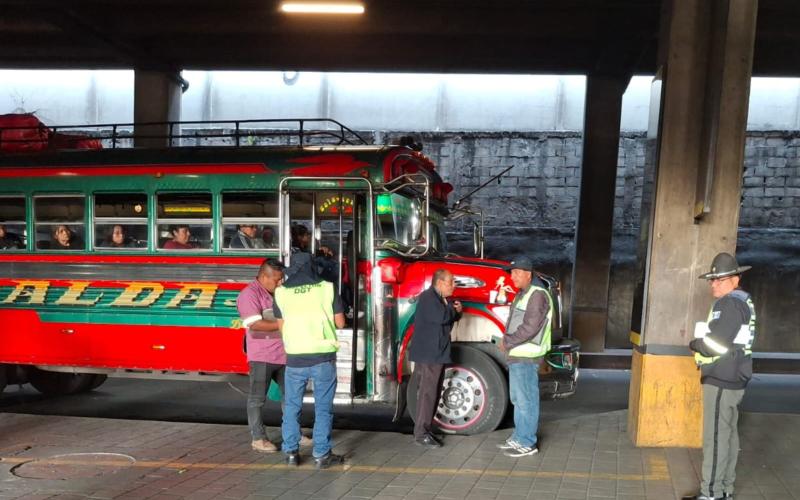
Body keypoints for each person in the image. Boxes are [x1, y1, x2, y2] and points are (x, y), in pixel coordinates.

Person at [684, 252, 756, 500]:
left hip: (722, 378)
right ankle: (724, 490)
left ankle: (711, 494)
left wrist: (695, 344)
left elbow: (716, 344)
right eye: (712, 280)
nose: (714, 284)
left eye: (720, 279)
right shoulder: (742, 302)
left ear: (736, 279)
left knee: (715, 438)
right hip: (734, 375)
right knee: (727, 435)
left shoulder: (730, 304)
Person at [273, 252, 346, 469]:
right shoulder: (327, 288)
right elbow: (340, 323)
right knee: (323, 408)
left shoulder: (281, 293)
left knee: (292, 407)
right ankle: (322, 455)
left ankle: (291, 453)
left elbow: (281, 326)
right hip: (322, 357)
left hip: (295, 358)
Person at [236, 258, 311, 453]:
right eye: (276, 279)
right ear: (263, 276)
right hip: (262, 356)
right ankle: (258, 438)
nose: (280, 283)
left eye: (281, 279)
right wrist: (285, 325)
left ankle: (293, 433)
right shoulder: (249, 295)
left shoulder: (281, 292)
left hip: (285, 354)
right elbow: (255, 324)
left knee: (291, 397)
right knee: (257, 399)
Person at [496, 255, 553, 458]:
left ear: (528, 274)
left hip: (527, 356)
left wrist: (507, 341)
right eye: (512, 273)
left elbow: (530, 327)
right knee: (518, 399)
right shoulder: (523, 293)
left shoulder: (537, 295)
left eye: (516, 273)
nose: (512, 277)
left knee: (526, 400)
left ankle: (527, 442)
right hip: (518, 354)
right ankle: (519, 436)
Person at [408, 268, 462, 448]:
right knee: (427, 394)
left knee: (433, 392)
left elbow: (446, 319)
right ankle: (421, 433)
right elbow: (442, 317)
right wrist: (452, 308)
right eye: (451, 282)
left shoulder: (438, 299)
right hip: (429, 355)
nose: (454, 285)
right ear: (439, 283)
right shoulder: (428, 298)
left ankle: (426, 429)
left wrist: (456, 311)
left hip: (435, 354)